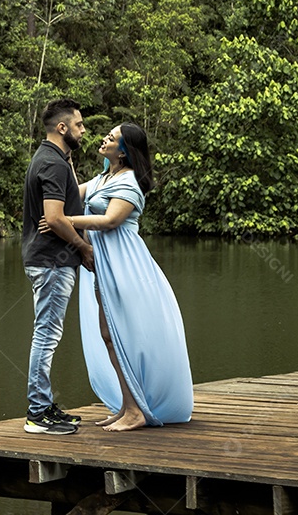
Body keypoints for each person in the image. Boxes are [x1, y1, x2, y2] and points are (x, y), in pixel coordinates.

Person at [41, 123, 193, 431]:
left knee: (120, 334)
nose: (104, 139)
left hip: (126, 265)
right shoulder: (103, 178)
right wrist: (65, 156)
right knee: (110, 336)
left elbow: (110, 221)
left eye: (111, 138)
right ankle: (128, 406)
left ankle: (136, 411)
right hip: (105, 265)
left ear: (123, 151)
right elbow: (72, 191)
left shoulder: (129, 183)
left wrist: (65, 219)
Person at [21, 98, 95, 435]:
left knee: (47, 333)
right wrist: (83, 247)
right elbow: (53, 217)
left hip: (48, 260)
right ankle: (37, 413)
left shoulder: (52, 158)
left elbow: (66, 202)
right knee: (46, 335)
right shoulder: (53, 164)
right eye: (79, 125)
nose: (84, 130)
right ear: (62, 128)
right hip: (52, 261)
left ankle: (44, 405)